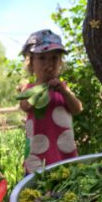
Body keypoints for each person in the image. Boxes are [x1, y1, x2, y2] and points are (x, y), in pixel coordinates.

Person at [19, 29, 83, 174]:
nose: (49, 63)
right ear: (31, 63)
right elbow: (25, 106)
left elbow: (77, 108)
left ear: (60, 62)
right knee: (38, 186)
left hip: (63, 149)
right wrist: (38, 91)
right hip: (38, 151)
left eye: (54, 58)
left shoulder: (63, 88)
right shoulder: (28, 89)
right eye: (42, 58)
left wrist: (65, 93)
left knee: (66, 180)